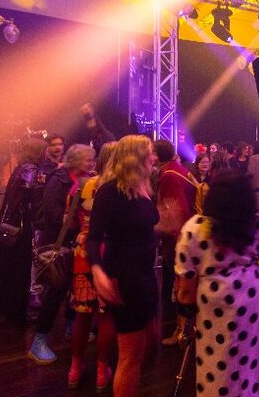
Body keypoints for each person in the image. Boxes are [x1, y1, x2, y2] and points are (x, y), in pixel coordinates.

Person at [175, 170, 259, 397]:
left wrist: (186, 319)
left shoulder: (193, 229)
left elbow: (186, 287)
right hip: (252, 301)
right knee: (253, 362)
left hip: (212, 305)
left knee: (217, 363)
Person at [87, 135, 160, 397]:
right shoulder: (110, 192)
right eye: (150, 153)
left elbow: (141, 226)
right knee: (130, 356)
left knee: (146, 344)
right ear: (135, 157)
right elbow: (93, 238)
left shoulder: (142, 187)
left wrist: (167, 225)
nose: (154, 158)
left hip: (145, 274)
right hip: (125, 276)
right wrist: (97, 270)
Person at [28, 144, 96, 365]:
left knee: (73, 288)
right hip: (58, 243)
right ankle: (38, 341)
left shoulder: (81, 179)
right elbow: (52, 214)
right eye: (88, 160)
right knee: (55, 291)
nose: (91, 163)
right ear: (76, 161)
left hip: (71, 241)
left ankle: (71, 326)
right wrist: (76, 218)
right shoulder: (59, 180)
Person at [67, 141, 118, 391]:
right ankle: (101, 370)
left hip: (82, 250)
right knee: (105, 312)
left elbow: (70, 217)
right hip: (107, 250)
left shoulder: (82, 185)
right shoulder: (118, 187)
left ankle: (74, 369)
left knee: (82, 311)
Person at [0, 137, 46, 327]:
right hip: (21, 229)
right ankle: (17, 313)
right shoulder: (31, 170)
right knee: (20, 271)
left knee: (10, 269)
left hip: (10, 225)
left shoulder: (20, 168)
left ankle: (9, 310)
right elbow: (32, 198)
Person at [153, 139, 197, 347]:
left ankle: (182, 333)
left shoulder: (168, 175)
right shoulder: (176, 168)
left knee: (182, 286)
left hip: (180, 238)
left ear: (156, 155)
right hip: (187, 234)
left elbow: (177, 210)